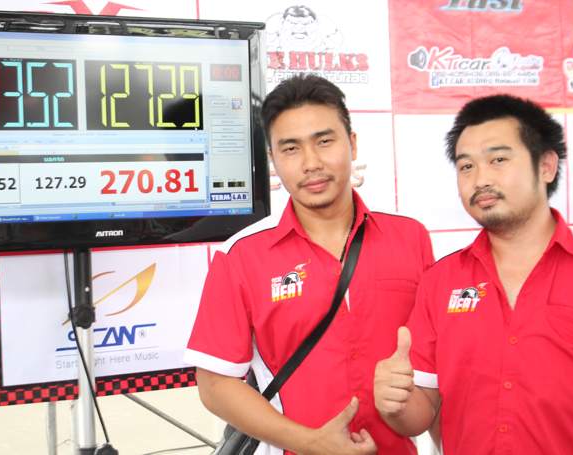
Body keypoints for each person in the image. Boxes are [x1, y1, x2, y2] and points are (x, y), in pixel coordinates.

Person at [184, 74, 433, 455]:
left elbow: (436, 366)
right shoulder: (241, 255)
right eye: (291, 148)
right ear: (273, 159)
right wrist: (311, 443)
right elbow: (215, 384)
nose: (311, 163)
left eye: (324, 141)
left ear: (352, 143)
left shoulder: (409, 237)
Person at [373, 94, 573, 454]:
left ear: (546, 166)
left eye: (498, 160)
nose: (480, 179)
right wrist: (394, 401)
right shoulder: (441, 282)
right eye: (466, 166)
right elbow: (421, 413)